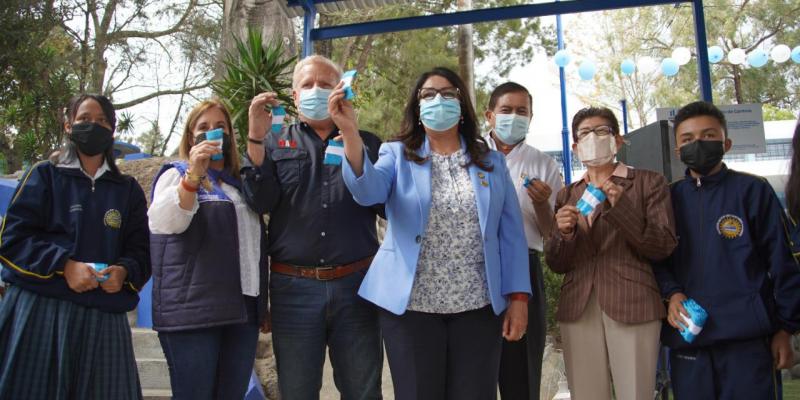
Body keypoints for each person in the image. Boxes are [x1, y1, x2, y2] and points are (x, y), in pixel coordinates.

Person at [339, 66, 531, 400]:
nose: (437, 100)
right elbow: (368, 192)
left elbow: (510, 233)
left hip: (478, 306)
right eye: (428, 95)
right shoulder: (395, 154)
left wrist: (518, 298)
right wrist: (350, 133)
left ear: (462, 106)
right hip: (412, 308)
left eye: (447, 93)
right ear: (417, 107)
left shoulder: (490, 161)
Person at [242, 55, 383, 400]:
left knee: (363, 391)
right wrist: (256, 139)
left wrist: (349, 131)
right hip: (294, 290)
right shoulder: (274, 143)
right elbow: (259, 202)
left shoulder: (369, 142)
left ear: (341, 90)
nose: (316, 90)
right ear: (294, 94)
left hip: (357, 287)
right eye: (308, 84)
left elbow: (380, 202)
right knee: (298, 391)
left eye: (325, 83)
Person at [0, 94, 150, 399]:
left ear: (112, 130)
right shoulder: (44, 176)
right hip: (40, 312)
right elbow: (11, 241)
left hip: (104, 320)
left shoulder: (127, 191)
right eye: (83, 119)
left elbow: (142, 252)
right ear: (68, 126)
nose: (92, 126)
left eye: (102, 121)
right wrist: (63, 266)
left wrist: (124, 271)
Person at [653, 101, 800, 399]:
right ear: (677, 150)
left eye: (708, 136)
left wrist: (786, 329)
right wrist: (672, 292)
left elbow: (783, 262)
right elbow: (655, 258)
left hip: (749, 343)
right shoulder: (667, 197)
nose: (698, 144)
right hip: (689, 343)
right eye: (687, 139)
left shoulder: (753, 191)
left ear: (726, 143)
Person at [544, 107, 676, 400]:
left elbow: (662, 245)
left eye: (602, 131)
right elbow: (556, 262)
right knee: (587, 393)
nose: (594, 138)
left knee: (636, 392)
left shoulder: (648, 182)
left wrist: (623, 209)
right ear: (576, 147)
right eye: (585, 133)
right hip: (578, 305)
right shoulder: (567, 195)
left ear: (618, 141)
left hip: (632, 302)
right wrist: (564, 234)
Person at [147, 99, 269, 400]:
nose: (213, 133)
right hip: (194, 313)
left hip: (242, 311)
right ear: (191, 137)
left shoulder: (238, 185)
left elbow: (253, 247)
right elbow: (164, 223)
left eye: (220, 127)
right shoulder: (177, 175)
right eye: (203, 128)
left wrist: (262, 302)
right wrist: (193, 175)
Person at [483, 82, 562, 400]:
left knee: (521, 372)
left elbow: (551, 233)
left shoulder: (543, 164)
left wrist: (543, 204)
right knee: (473, 369)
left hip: (524, 270)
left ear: (531, 117)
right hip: (476, 267)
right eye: (506, 110)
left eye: (521, 111)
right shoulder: (469, 155)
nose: (513, 117)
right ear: (490, 115)